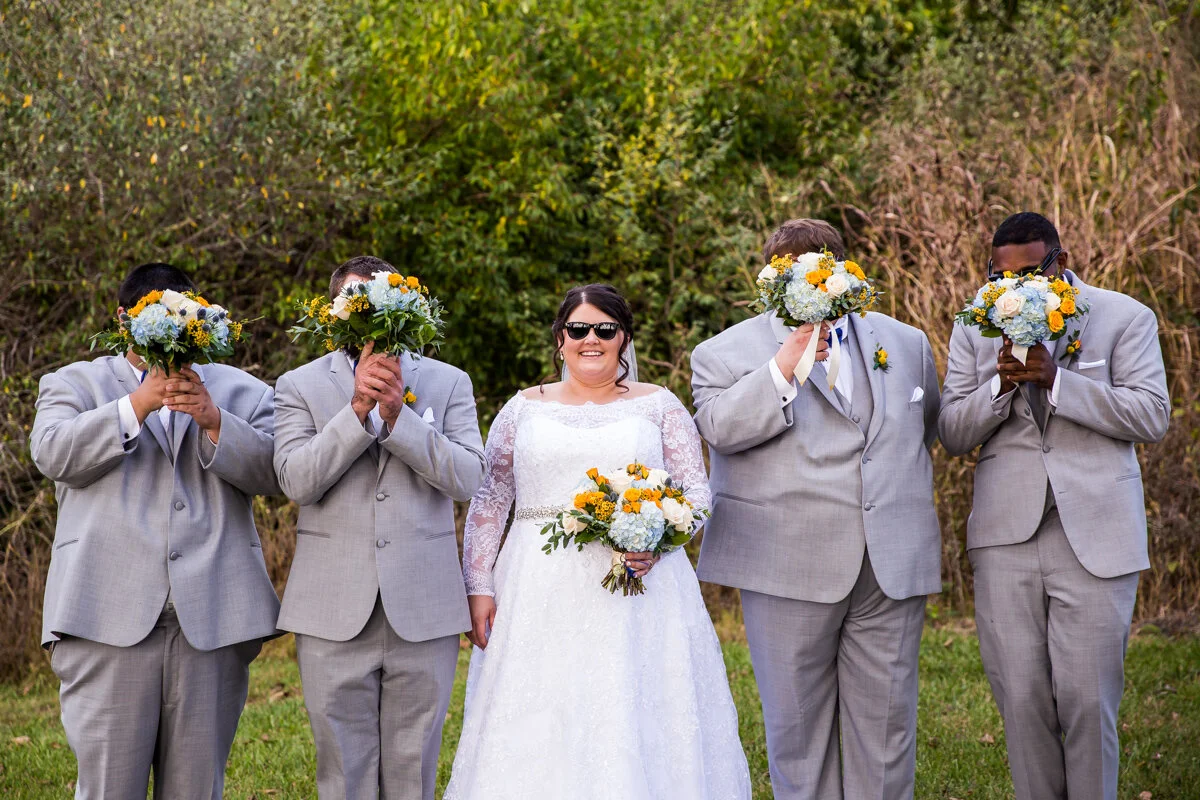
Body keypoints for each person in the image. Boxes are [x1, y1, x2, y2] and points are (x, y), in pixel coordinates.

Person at [445, 283, 751, 799]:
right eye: (579, 329)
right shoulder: (521, 409)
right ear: (560, 338)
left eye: (605, 329)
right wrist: (478, 586)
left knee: (633, 705)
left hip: (641, 587)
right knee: (539, 710)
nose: (592, 339)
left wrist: (659, 540)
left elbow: (697, 491)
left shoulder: (659, 405)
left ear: (623, 338)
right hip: (536, 585)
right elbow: (490, 500)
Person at [691, 219, 942, 800]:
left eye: (823, 268)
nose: (812, 282)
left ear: (845, 272)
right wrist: (782, 368)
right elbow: (718, 430)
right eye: (795, 271)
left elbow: (922, 428)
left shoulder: (906, 342)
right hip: (786, 565)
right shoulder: (723, 352)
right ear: (771, 278)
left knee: (888, 732)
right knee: (798, 736)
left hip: (890, 565)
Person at [939, 212, 1170, 800]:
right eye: (999, 275)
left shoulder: (1123, 317)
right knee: (1021, 700)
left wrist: (1057, 382)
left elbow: (1151, 415)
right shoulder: (974, 325)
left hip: (1095, 533)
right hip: (1005, 536)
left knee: (1088, 700)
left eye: (1028, 273)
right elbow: (953, 432)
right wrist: (1000, 387)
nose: (1011, 286)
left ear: (1060, 262)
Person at [29, 262, 281, 799]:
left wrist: (215, 420)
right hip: (105, 620)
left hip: (212, 623)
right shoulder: (73, 383)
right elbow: (52, 453)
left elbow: (280, 473)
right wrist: (139, 403)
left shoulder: (244, 391)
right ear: (125, 321)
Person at [273, 255, 486, 800]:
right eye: (356, 306)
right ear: (333, 314)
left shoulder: (448, 381)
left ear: (403, 308)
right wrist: (356, 410)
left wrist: (398, 417)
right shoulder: (298, 385)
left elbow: (468, 478)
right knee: (343, 773)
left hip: (424, 604)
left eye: (379, 305)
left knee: (413, 770)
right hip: (331, 607)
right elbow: (296, 481)